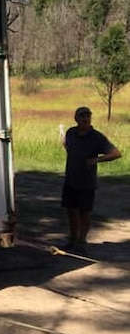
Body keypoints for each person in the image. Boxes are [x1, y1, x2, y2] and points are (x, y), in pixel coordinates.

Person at [61, 106, 122, 252]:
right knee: (71, 211)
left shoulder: (96, 137)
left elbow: (116, 153)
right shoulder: (71, 133)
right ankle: (73, 239)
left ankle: (82, 242)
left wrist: (96, 160)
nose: (85, 119)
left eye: (87, 116)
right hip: (70, 180)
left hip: (87, 182)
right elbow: (67, 145)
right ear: (76, 118)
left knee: (84, 212)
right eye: (82, 116)